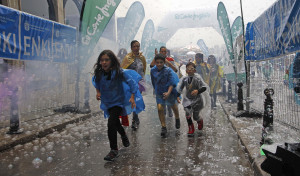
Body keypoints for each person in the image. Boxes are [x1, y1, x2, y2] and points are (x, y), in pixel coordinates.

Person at [92, 50, 145, 161]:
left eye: (107, 60)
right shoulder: (99, 73)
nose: (104, 62)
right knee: (115, 122)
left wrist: (132, 96)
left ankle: (114, 150)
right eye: (102, 60)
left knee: (111, 123)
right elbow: (96, 81)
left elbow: (132, 83)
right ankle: (123, 135)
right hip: (107, 102)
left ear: (112, 61)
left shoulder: (119, 72)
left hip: (118, 102)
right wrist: (98, 92)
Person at [151, 53, 181, 138]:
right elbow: (153, 81)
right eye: (157, 62)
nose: (159, 64)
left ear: (164, 62)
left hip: (169, 91)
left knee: (173, 106)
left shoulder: (168, 70)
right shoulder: (153, 70)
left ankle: (177, 118)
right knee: (160, 108)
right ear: (155, 62)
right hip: (159, 91)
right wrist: (155, 90)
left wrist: (168, 92)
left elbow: (172, 82)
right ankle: (163, 127)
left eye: (161, 62)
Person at [121, 40, 147, 129]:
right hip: (129, 83)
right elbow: (123, 70)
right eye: (134, 46)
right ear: (131, 48)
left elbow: (144, 69)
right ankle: (129, 117)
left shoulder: (142, 58)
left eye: (138, 46)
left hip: (139, 82)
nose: (136, 48)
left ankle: (134, 119)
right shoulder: (127, 58)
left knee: (136, 99)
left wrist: (143, 81)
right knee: (130, 100)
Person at [177, 62, 207, 136]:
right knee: (187, 113)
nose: (190, 70)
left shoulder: (198, 78)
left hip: (197, 100)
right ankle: (190, 127)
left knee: (195, 116)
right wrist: (178, 96)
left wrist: (197, 91)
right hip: (187, 99)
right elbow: (180, 88)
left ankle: (199, 120)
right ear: (186, 70)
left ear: (195, 70)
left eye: (192, 69)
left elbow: (204, 87)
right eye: (188, 69)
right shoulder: (184, 79)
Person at [150, 46, 177, 117]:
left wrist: (167, 62)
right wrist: (156, 56)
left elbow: (175, 70)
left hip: (168, 83)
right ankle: (164, 116)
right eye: (161, 51)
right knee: (162, 103)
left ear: (166, 52)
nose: (163, 53)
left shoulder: (170, 60)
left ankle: (171, 113)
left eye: (164, 51)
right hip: (159, 84)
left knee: (170, 101)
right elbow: (151, 66)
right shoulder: (157, 60)